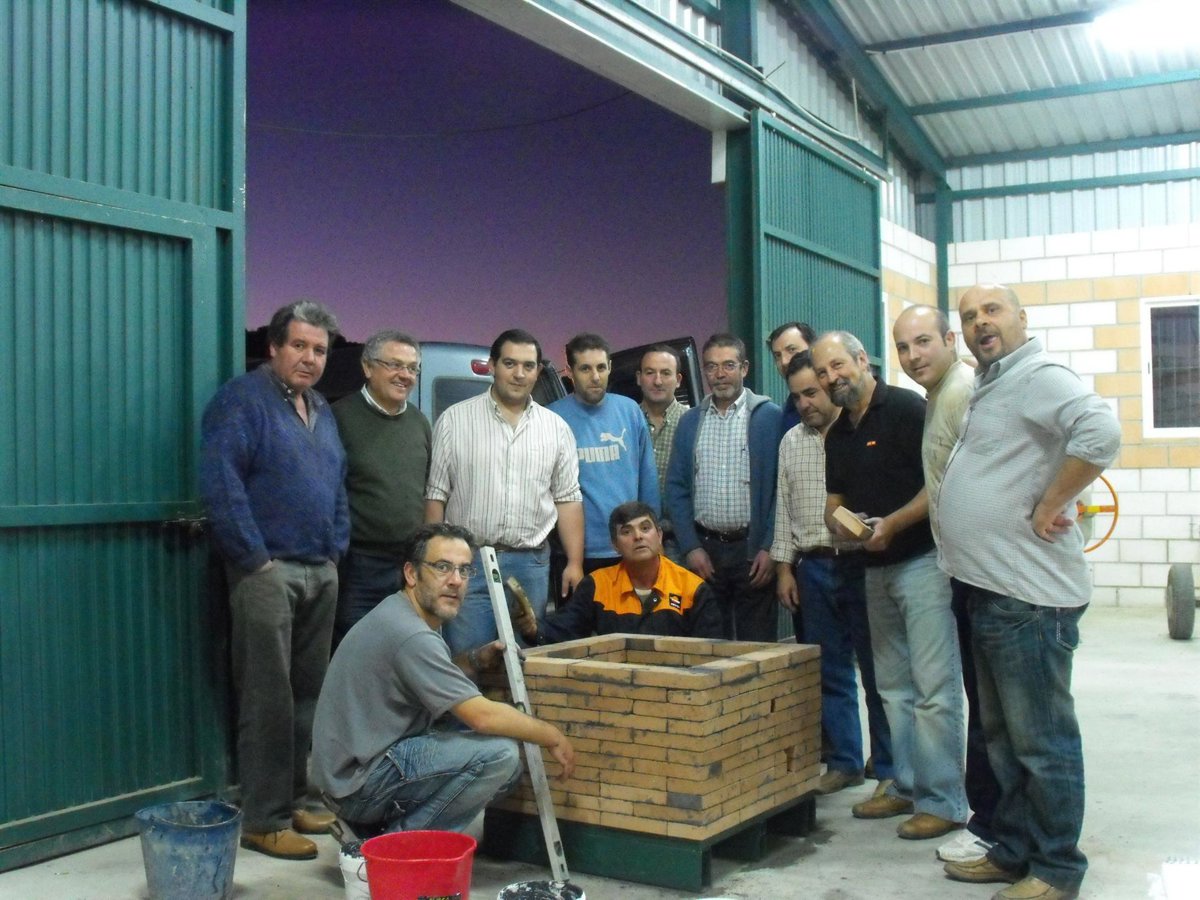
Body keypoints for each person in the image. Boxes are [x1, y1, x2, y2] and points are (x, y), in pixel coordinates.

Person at [939, 285, 1119, 900]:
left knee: (1042, 744)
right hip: (991, 589)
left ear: (1022, 317)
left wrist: (1051, 501)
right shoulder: (993, 383)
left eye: (992, 311)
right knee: (1004, 740)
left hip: (1029, 598)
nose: (980, 323)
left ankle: (1056, 869)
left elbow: (1100, 431)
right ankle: (1014, 849)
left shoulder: (1039, 376)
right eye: (969, 316)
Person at [200, 300, 349, 860]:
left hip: (319, 570)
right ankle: (263, 819)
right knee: (267, 697)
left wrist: (335, 550)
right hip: (267, 572)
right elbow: (221, 482)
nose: (310, 358)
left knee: (309, 695)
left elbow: (337, 483)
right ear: (274, 347)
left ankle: (298, 799)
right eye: (300, 346)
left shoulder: (321, 408)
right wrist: (254, 559)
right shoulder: (242, 400)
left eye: (319, 350)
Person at [313, 523, 575, 836]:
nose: (456, 581)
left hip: (356, 771)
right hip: (358, 783)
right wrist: (551, 735)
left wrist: (476, 659)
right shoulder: (411, 634)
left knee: (498, 765)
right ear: (411, 574)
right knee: (499, 757)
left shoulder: (404, 612)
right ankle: (396, 846)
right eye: (442, 567)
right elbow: (481, 717)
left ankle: (374, 833)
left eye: (464, 570)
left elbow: (432, 677)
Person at [811, 330, 967, 841]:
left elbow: (937, 485)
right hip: (873, 570)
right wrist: (842, 524)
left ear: (862, 360)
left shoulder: (905, 409)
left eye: (838, 365)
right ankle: (905, 784)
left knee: (934, 690)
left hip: (922, 564)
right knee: (893, 689)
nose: (831, 378)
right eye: (823, 372)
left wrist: (893, 524)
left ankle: (944, 802)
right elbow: (834, 503)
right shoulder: (838, 434)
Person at [893, 305, 1002, 864]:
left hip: (988, 572)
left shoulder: (963, 392)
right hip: (962, 568)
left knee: (994, 715)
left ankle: (989, 825)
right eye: (903, 347)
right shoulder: (938, 396)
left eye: (922, 342)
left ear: (949, 339)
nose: (913, 356)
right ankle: (990, 823)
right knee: (984, 707)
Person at [771, 351, 893, 795]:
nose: (805, 403)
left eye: (812, 392)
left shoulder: (860, 434)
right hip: (814, 567)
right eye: (797, 397)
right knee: (831, 670)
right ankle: (844, 762)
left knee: (878, 672)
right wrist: (784, 569)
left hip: (862, 564)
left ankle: (889, 766)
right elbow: (783, 509)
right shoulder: (791, 442)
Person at [425, 328, 583, 655]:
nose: (519, 373)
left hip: (531, 566)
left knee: (525, 659)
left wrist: (575, 562)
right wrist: (434, 560)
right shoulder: (454, 421)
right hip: (467, 562)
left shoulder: (556, 429)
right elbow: (436, 495)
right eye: (510, 363)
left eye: (528, 366)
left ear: (538, 372)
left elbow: (568, 499)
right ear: (493, 365)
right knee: (469, 660)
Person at [665, 333, 781, 641]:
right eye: (711, 366)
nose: (719, 374)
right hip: (706, 552)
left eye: (728, 365)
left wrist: (770, 547)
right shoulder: (690, 422)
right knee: (710, 644)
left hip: (753, 553)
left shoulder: (770, 418)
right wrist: (691, 547)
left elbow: (783, 491)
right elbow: (676, 489)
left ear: (744, 368)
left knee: (757, 647)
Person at [330, 330, 431, 649]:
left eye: (412, 368)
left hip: (407, 565)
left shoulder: (419, 423)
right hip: (358, 566)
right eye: (394, 365)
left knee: (402, 649)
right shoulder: (339, 418)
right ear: (367, 367)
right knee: (355, 649)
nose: (405, 375)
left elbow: (426, 490)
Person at [515, 501, 722, 644]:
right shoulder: (598, 585)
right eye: (626, 531)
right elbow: (567, 627)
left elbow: (709, 651)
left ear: (659, 535)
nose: (638, 536)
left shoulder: (693, 588)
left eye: (645, 528)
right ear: (614, 545)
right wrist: (534, 629)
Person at [549, 334, 659, 572]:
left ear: (610, 367)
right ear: (570, 371)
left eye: (601, 367)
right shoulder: (553, 418)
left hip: (630, 546)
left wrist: (653, 539)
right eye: (585, 369)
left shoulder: (629, 410)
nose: (595, 377)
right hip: (577, 552)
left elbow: (648, 480)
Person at [766, 321, 817, 436]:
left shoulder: (837, 399)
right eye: (777, 355)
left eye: (791, 350)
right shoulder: (788, 410)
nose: (784, 361)